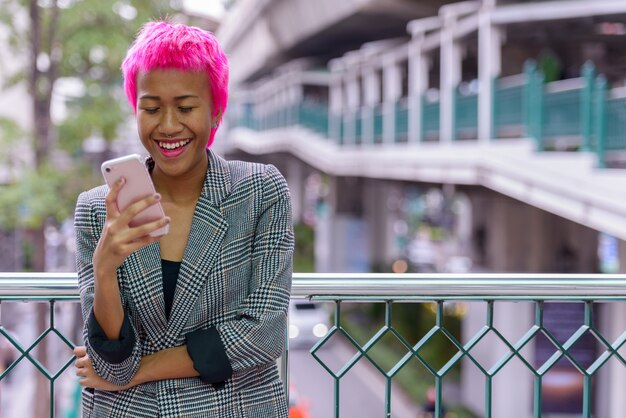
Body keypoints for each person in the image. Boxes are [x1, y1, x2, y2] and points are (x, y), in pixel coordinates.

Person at [72, 20, 294, 417]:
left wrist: (142, 372)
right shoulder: (98, 209)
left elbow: (264, 334)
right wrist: (104, 270)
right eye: (152, 108)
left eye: (186, 107)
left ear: (216, 113)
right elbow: (108, 364)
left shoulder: (261, 192)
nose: (169, 126)